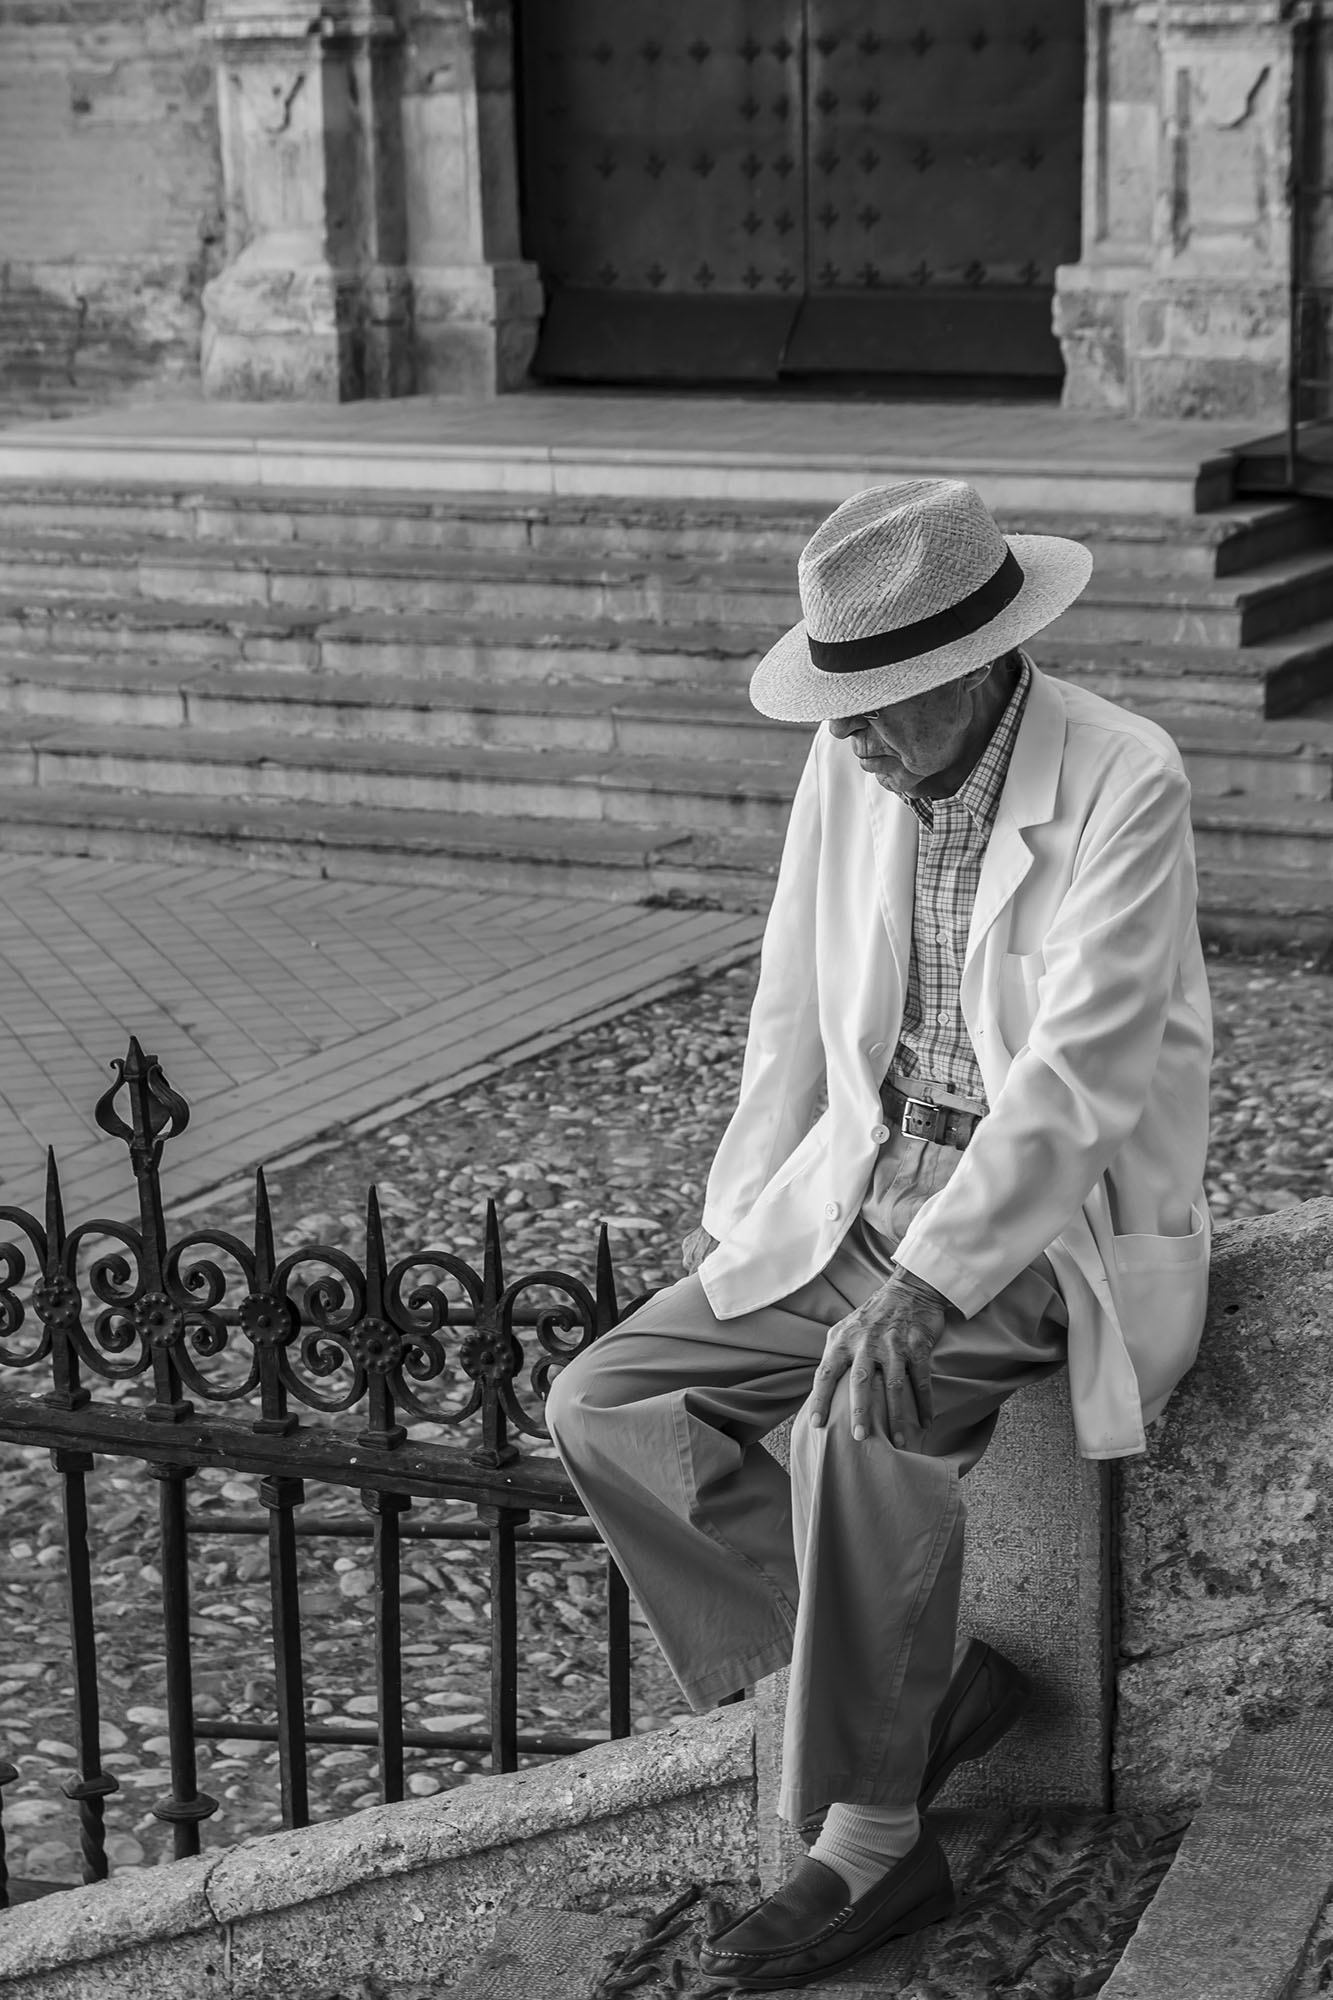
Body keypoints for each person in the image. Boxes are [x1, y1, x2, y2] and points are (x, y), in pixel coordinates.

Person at [545, 478, 1212, 1991]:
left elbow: (1081, 1078)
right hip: (860, 1183)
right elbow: (793, 999)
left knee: (857, 1416)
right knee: (602, 1403)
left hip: (1044, 1217)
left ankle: (873, 1839)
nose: (844, 738)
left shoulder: (1127, 775)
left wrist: (925, 1281)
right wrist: (747, 1221)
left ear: (973, 671)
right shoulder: (856, 759)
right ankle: (927, 1680)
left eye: (873, 704)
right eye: (834, 704)